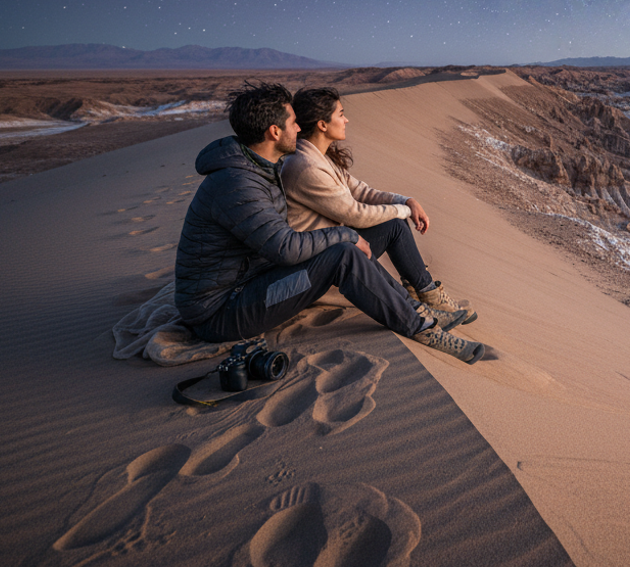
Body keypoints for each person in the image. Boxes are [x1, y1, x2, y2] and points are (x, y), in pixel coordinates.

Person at [174, 82, 484, 364]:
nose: (299, 128)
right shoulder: (238, 184)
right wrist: (345, 235)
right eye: (294, 123)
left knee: (353, 244)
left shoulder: (257, 168)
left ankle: (419, 308)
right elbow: (285, 248)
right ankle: (422, 328)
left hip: (254, 280)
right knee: (342, 254)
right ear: (274, 132)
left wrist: (398, 206)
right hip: (223, 312)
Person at [281, 86, 478, 328]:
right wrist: (403, 210)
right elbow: (355, 215)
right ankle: (422, 302)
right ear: (322, 124)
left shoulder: (319, 157)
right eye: (341, 114)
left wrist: (406, 200)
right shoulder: (306, 167)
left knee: (394, 223)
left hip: (333, 248)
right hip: (322, 264)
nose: (346, 120)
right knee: (395, 222)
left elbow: (362, 192)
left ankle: (426, 296)